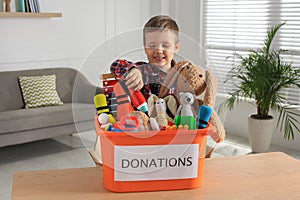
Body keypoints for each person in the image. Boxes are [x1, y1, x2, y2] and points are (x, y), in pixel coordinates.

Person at [110, 15, 180, 100]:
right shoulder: (142, 70)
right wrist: (132, 70)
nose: (159, 50)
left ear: (176, 48)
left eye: (165, 45)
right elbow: (115, 65)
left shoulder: (180, 75)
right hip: (144, 112)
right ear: (145, 47)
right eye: (152, 45)